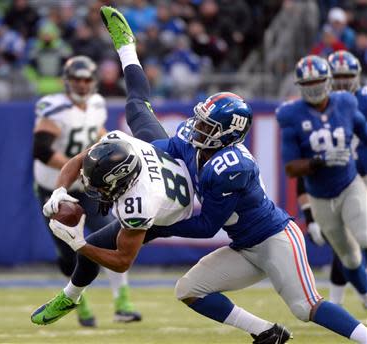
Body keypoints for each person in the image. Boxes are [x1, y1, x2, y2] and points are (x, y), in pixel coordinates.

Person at [31, 7, 367, 343]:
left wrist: (154, 226)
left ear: (227, 134)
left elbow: (206, 226)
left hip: (274, 238)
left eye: (208, 125)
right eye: (202, 120)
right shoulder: (194, 141)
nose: (198, 127)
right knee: (189, 289)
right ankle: (266, 333)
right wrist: (134, 151)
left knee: (304, 307)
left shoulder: (232, 167)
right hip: (241, 243)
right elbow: (167, 146)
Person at [32, 55, 141, 326]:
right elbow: (42, 150)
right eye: (77, 79)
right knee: (69, 252)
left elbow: (96, 134)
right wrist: (77, 169)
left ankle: (122, 303)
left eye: (86, 79)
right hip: (55, 188)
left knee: (113, 238)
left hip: (90, 187)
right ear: (66, 81)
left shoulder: (97, 104)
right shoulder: (53, 108)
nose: (82, 84)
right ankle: (78, 303)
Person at [276, 54, 367, 314]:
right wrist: (319, 161)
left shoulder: (347, 103)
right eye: (308, 84)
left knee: (364, 235)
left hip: (350, 183)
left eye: (318, 82)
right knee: (348, 256)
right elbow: (291, 168)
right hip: (320, 196)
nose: (314, 88)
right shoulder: (291, 114)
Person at [302, 50, 367, 306]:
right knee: (345, 244)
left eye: (346, 77)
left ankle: (345, 299)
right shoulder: (311, 109)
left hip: (360, 177)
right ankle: (341, 301)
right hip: (336, 181)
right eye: (336, 77)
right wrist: (308, 215)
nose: (341, 83)